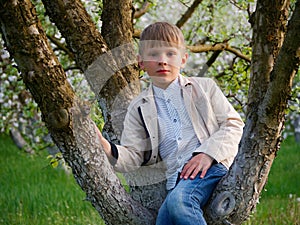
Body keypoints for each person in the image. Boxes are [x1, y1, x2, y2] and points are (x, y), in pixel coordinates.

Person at [96, 22, 244, 225]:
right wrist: (105, 147)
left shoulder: (204, 88)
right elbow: (133, 155)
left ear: (183, 59)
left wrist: (208, 154)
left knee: (180, 203)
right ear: (141, 62)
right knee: (163, 221)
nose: (162, 61)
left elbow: (234, 124)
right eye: (154, 54)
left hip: (212, 167)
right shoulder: (138, 107)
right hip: (177, 180)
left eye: (170, 54)